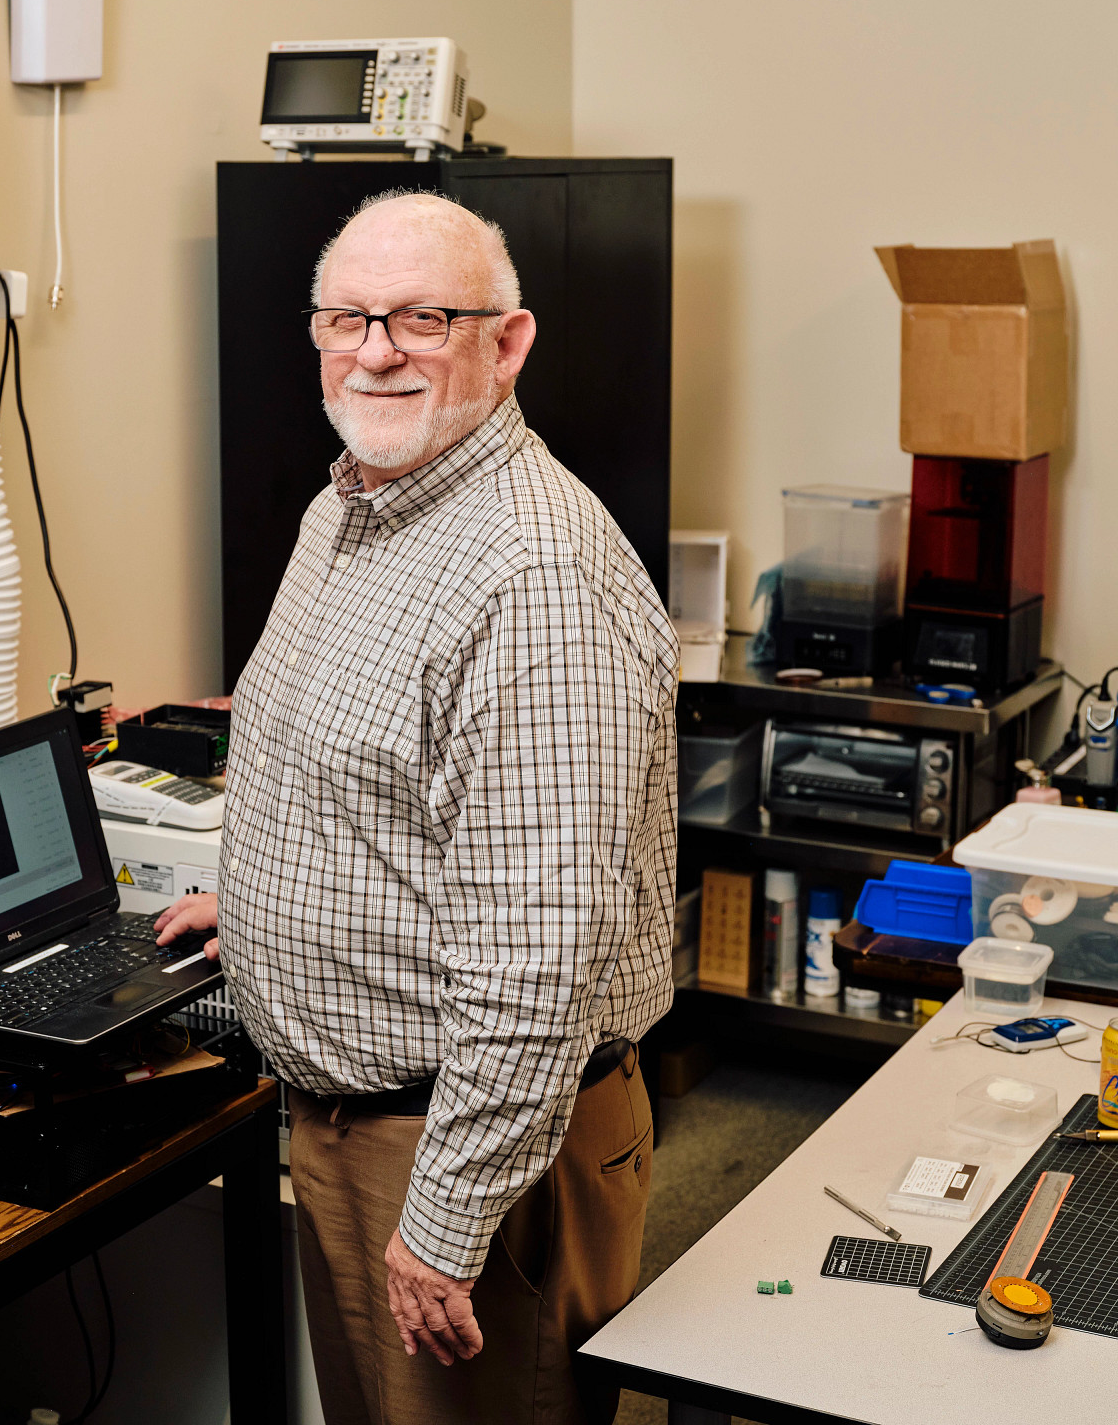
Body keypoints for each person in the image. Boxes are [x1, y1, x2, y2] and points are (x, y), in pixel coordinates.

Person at [157, 190, 676, 1424]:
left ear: (506, 344)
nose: (377, 348)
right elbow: (373, 780)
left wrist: (445, 1221)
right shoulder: (345, 508)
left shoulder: (533, 574)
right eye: (348, 317)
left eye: (422, 318)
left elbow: (539, 956)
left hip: (475, 1148)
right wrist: (278, 906)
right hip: (355, 1122)